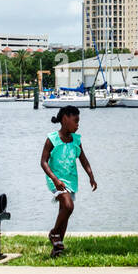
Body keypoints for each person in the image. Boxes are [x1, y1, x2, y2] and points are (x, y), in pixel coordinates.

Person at [39, 105, 97, 258]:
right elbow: (43, 162)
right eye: (75, 121)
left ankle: (57, 248)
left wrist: (91, 176)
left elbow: (83, 160)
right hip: (56, 181)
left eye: (78, 122)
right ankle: (53, 233)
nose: (78, 125)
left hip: (70, 182)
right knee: (68, 206)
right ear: (65, 119)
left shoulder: (76, 140)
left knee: (64, 212)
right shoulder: (52, 139)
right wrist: (55, 179)